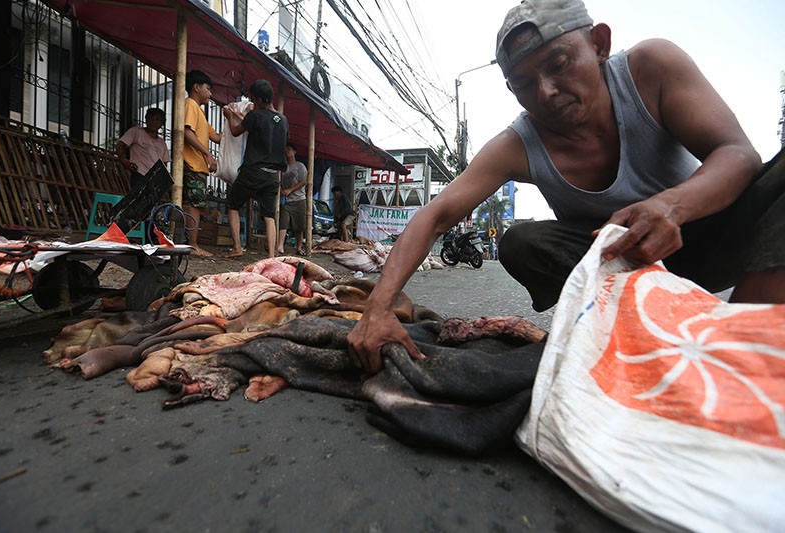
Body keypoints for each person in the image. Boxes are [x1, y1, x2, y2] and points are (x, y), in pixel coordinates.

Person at [347, 0, 785, 374]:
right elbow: (436, 214)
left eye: (558, 64)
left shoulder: (651, 68)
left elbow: (738, 153)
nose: (547, 92)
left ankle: (740, 345)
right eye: (524, 84)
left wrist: (673, 206)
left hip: (707, 232)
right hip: (621, 269)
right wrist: (379, 307)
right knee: (522, 241)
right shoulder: (517, 143)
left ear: (599, 43)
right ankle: (620, 331)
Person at [222, 79, 289, 259]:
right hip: (274, 175)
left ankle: (237, 247)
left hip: (253, 171)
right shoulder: (283, 120)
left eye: (253, 99)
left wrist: (229, 115)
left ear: (259, 99)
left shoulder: (255, 115)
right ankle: (272, 256)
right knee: (269, 215)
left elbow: (236, 131)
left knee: (233, 204)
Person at [183, 70, 222, 257]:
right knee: (193, 205)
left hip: (197, 166)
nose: (210, 93)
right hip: (192, 164)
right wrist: (207, 154)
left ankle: (190, 244)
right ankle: (192, 245)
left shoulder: (200, 112)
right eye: (208, 89)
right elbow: (186, 132)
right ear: (196, 87)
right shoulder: (190, 105)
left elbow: (216, 137)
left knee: (193, 204)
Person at [116, 108, 171, 191]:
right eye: (151, 118)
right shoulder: (136, 131)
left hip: (154, 179)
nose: (154, 122)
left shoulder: (162, 143)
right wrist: (124, 160)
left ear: (162, 123)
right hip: (138, 174)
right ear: (146, 119)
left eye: (157, 119)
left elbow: (164, 163)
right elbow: (120, 145)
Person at [277, 141, 308, 255]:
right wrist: (281, 191)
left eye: (289, 149)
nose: (287, 151)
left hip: (299, 199)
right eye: (286, 149)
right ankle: (280, 246)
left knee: (299, 226)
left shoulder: (300, 166)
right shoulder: (283, 168)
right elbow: (278, 182)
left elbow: (304, 181)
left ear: (294, 151)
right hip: (286, 200)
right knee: (283, 222)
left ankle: (299, 248)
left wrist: (290, 190)